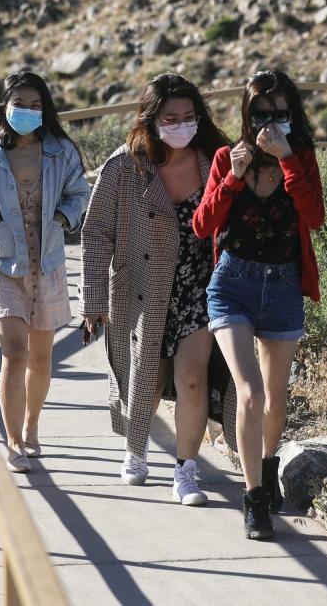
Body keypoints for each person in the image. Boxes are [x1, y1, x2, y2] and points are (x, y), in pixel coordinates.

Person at [79, 73, 231, 505]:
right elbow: (96, 234)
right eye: (170, 117)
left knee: (193, 379)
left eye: (189, 116)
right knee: (147, 375)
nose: (181, 125)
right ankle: (136, 448)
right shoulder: (124, 167)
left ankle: (185, 472)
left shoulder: (214, 161)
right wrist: (92, 301)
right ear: (151, 119)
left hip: (198, 291)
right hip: (141, 290)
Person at [194, 69, 324, 539]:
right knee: (248, 392)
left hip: (284, 287)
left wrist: (287, 160)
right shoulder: (231, 157)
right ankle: (254, 501)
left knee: (274, 399)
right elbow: (203, 226)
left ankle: (268, 471)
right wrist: (232, 177)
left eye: (281, 113)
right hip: (234, 284)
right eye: (262, 113)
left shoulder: (302, 157)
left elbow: (315, 217)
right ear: (248, 115)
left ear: (293, 114)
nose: (271, 121)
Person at [0, 71, 91, 473]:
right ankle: (12, 442)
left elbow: (79, 192)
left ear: (45, 109)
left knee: (42, 358)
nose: (28, 112)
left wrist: (65, 218)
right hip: (0, 263)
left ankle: (31, 427)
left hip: (46, 263)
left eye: (36, 105)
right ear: (4, 107)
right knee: (14, 351)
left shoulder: (62, 151)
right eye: (20, 104)